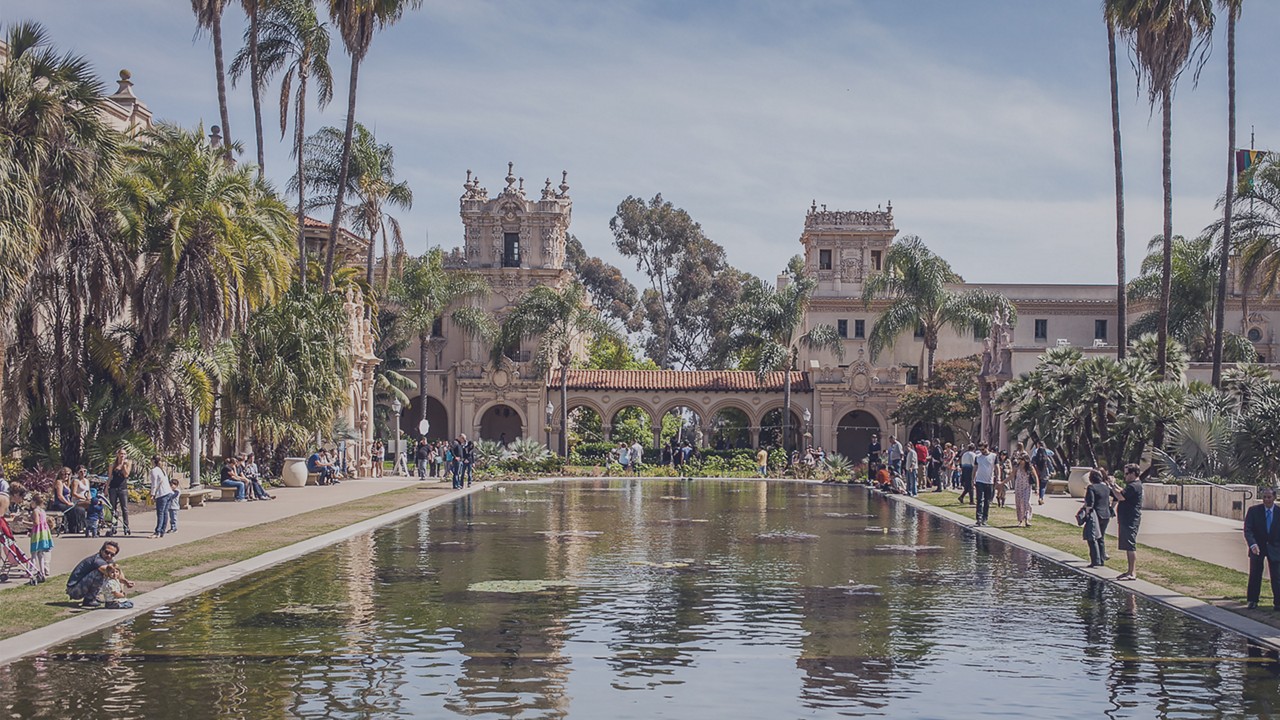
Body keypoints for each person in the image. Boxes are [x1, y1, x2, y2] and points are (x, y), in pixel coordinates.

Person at [1244, 487, 1280, 610]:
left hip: (1275, 548)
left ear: (1274, 498)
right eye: (1264, 497)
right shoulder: (1254, 511)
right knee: (1255, 574)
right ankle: (1253, 600)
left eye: (1269, 497)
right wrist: (1253, 544)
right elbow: (1248, 530)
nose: (1266, 499)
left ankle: (1278, 603)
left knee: (1277, 576)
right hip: (1257, 547)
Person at [66, 541, 129, 608]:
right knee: (100, 573)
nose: (109, 555)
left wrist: (123, 587)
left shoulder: (109, 561)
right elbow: (108, 572)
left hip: (81, 587)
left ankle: (93, 597)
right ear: (101, 550)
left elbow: (118, 572)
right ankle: (89, 600)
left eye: (112, 554)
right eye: (107, 552)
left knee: (112, 572)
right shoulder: (97, 560)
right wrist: (124, 582)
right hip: (74, 590)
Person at [1111, 463, 1143, 581]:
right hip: (1126, 518)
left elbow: (1121, 496)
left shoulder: (1134, 486)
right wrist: (1114, 485)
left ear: (1134, 474)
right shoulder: (1132, 485)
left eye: (1127, 473)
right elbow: (1122, 491)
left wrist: (1112, 485)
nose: (1125, 476)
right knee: (1127, 544)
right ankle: (1129, 570)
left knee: (1130, 545)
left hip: (1130, 518)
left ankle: (1132, 572)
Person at [1083, 469, 1113, 567]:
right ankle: (1101, 559)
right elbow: (1115, 497)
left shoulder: (1091, 487)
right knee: (1101, 537)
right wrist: (1112, 507)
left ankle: (1095, 560)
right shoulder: (1106, 487)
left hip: (1096, 514)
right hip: (1106, 515)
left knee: (1092, 537)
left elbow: (1090, 503)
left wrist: (1086, 513)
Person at [49, 467, 84, 535]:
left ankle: (78, 528)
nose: (66, 476)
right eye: (64, 474)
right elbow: (60, 496)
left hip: (66, 503)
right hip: (59, 504)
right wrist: (68, 503)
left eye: (68, 474)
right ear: (60, 475)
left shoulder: (66, 483)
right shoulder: (59, 482)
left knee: (81, 509)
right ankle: (73, 528)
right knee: (76, 510)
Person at [108, 448, 133, 536]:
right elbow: (110, 476)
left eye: (124, 454)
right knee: (113, 508)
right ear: (117, 455)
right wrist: (106, 488)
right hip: (113, 488)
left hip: (123, 488)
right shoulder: (113, 465)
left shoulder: (128, 463)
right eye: (121, 454)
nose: (122, 455)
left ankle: (126, 526)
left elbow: (126, 474)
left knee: (124, 508)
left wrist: (124, 465)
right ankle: (113, 526)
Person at [27, 492, 52, 581]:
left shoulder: (35, 511)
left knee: (34, 553)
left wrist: (24, 523)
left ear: (34, 501)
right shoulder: (42, 511)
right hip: (44, 533)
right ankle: (42, 571)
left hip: (37, 534)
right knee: (40, 554)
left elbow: (36, 523)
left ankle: (31, 571)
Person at [149, 456, 175, 538]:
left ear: (153, 461)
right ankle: (162, 531)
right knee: (165, 512)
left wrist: (152, 494)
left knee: (160, 513)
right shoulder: (162, 470)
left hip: (162, 494)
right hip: (168, 493)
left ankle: (158, 531)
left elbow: (154, 484)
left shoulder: (154, 471)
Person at [972, 443, 997, 526]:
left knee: (987, 501)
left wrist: (998, 477)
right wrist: (973, 479)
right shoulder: (978, 457)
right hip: (980, 480)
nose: (982, 451)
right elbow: (975, 468)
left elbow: (997, 467)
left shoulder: (993, 456)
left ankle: (984, 518)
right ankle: (979, 518)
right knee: (979, 500)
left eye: (983, 449)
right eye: (980, 450)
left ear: (987, 447)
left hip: (989, 481)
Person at [1011, 453, 1038, 527]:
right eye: (1019, 459)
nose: (1020, 461)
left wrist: (1037, 488)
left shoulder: (1029, 467)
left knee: (1026, 502)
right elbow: (1011, 475)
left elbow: (1036, 477)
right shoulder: (1017, 467)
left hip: (1027, 487)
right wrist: (1002, 483)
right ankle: (1020, 520)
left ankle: (1027, 519)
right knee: (1019, 503)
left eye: (1021, 459)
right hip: (1018, 487)